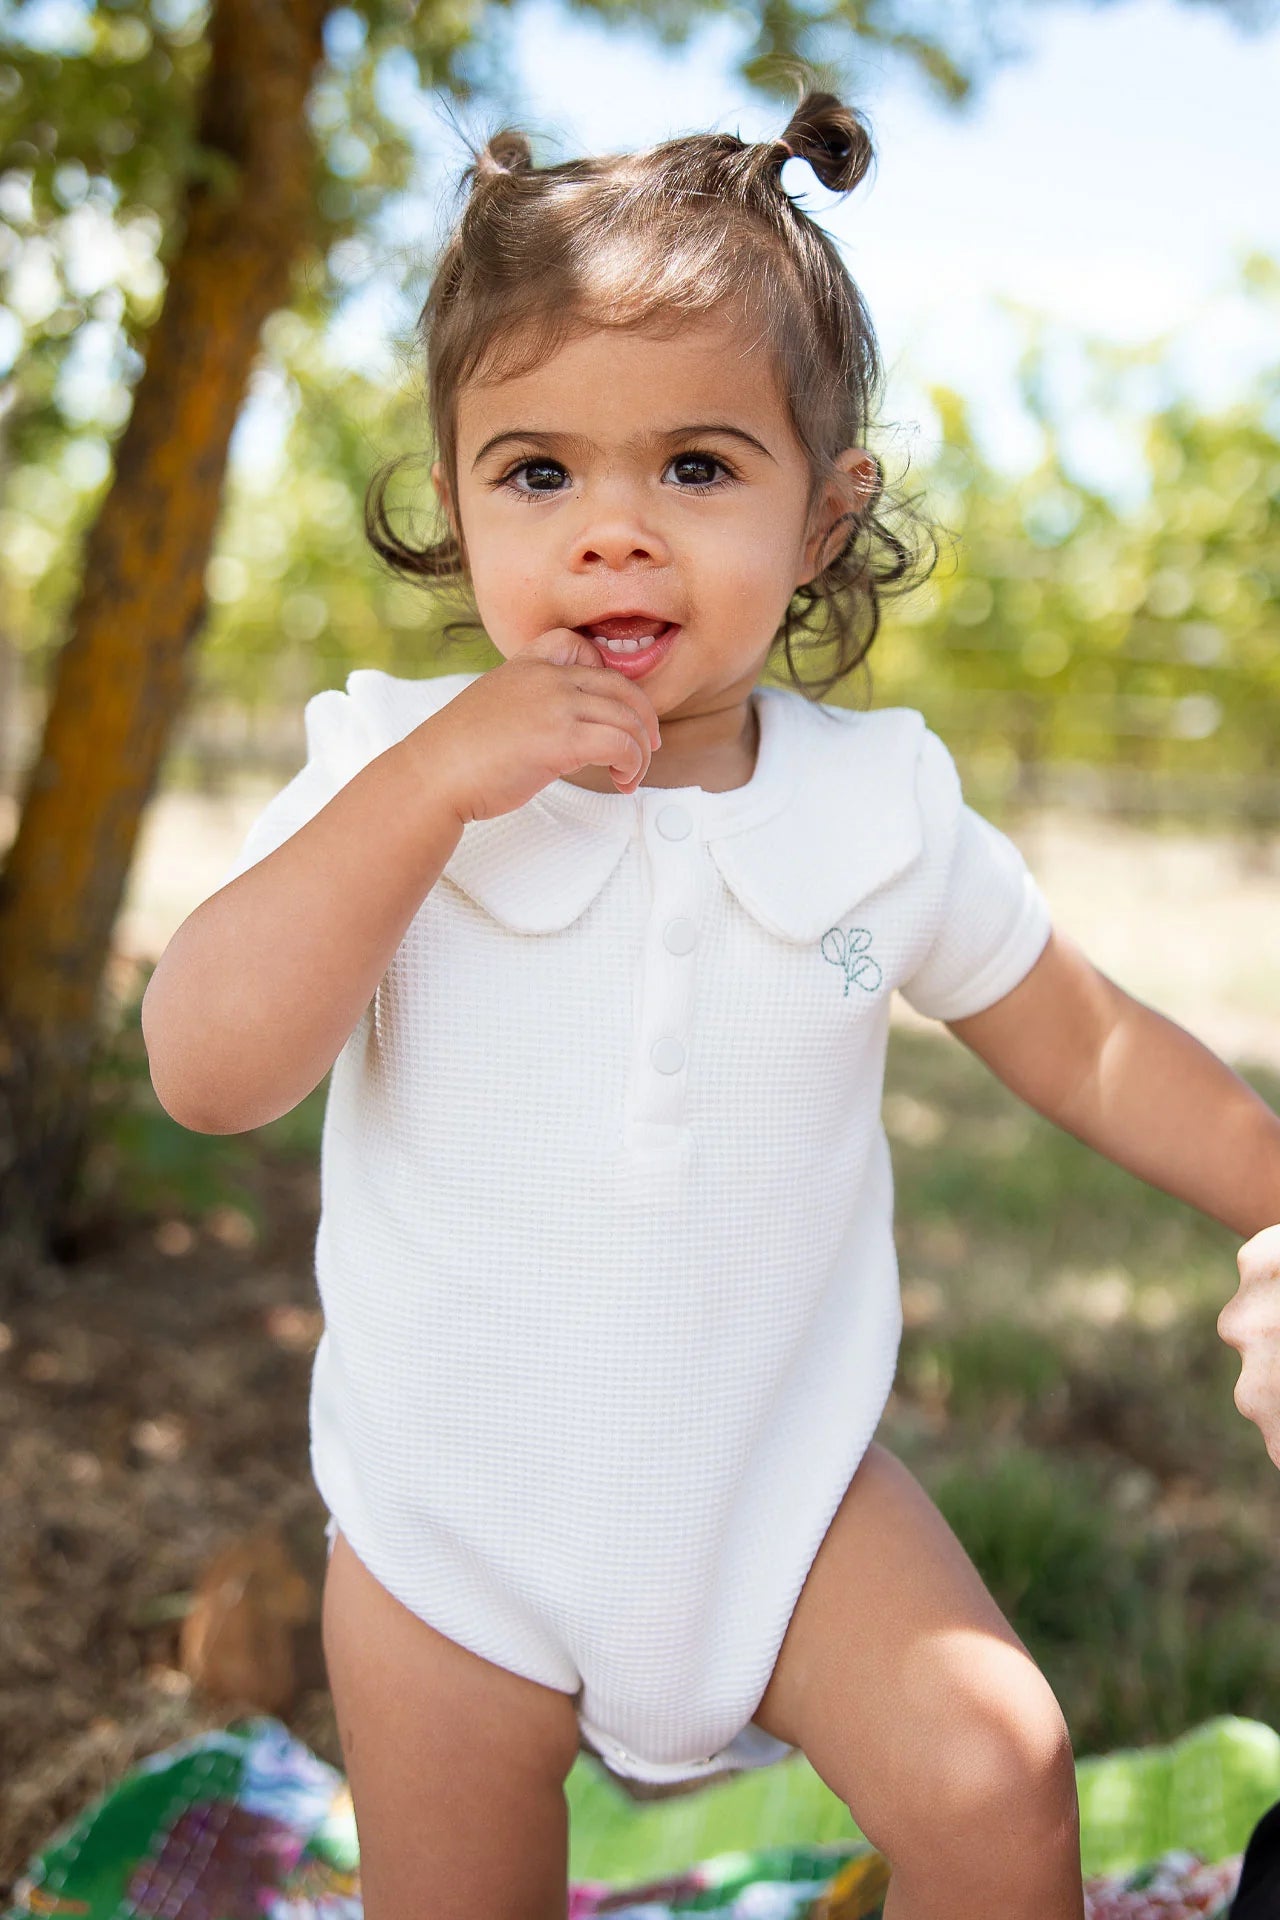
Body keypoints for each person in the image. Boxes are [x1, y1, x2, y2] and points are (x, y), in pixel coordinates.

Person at [139, 85, 1280, 1920]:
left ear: (826, 518)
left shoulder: (876, 807)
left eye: (694, 468)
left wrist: (1275, 1188)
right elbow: (204, 1068)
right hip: (454, 1527)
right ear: (452, 502)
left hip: (782, 1487)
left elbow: (1091, 1041)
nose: (613, 533)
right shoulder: (382, 765)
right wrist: (431, 792)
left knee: (1003, 1780)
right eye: (538, 473)